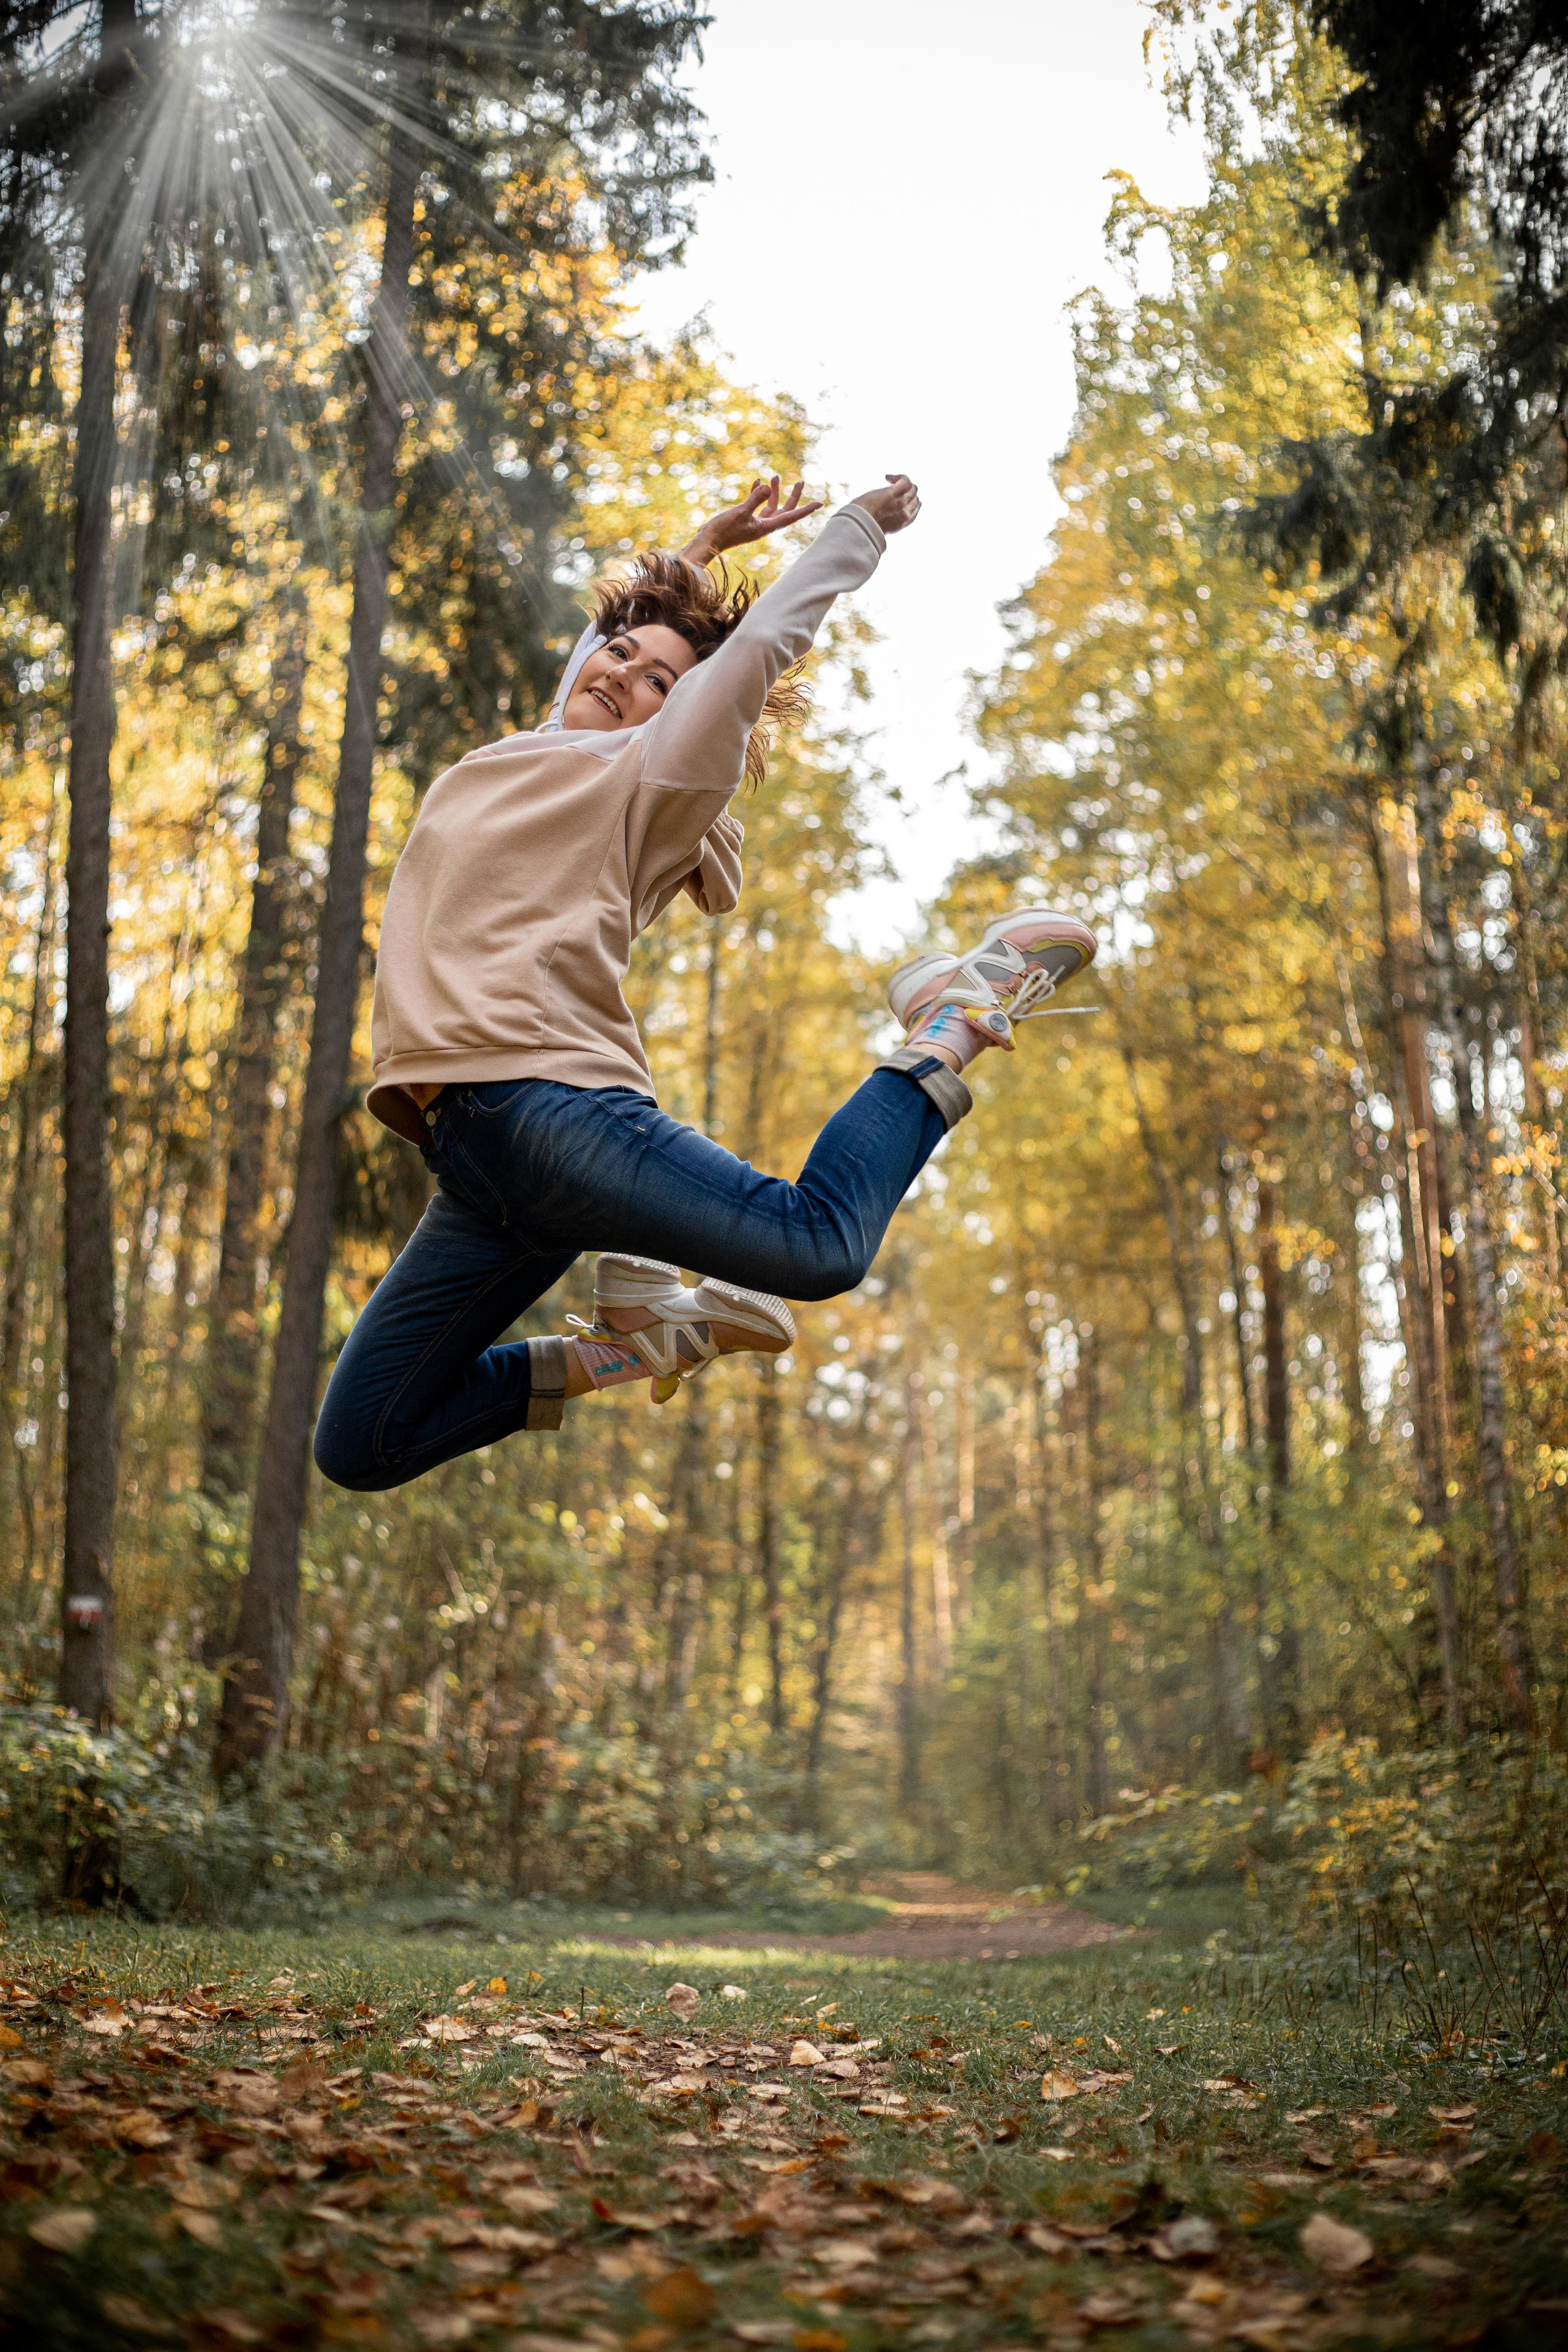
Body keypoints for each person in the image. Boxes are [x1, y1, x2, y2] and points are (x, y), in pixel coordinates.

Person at [313, 474, 1097, 1491]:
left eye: (653, 684)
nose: (618, 674)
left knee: (819, 1247)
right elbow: (599, 659)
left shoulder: (643, 779)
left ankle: (952, 1017)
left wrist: (857, 532)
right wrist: (694, 557)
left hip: (553, 1111)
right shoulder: (539, 752)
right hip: (478, 1161)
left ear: (676, 725)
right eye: (617, 654)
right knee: (363, 1445)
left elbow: (754, 655)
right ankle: (634, 1345)